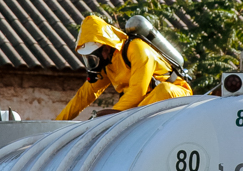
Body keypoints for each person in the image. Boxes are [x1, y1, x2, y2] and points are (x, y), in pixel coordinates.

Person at [55, 15, 192, 121]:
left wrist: (111, 117)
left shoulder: (137, 48)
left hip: (176, 93)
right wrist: (56, 123)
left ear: (106, 46)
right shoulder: (107, 65)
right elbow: (83, 96)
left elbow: (138, 90)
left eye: (93, 56)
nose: (92, 61)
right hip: (145, 104)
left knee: (164, 90)